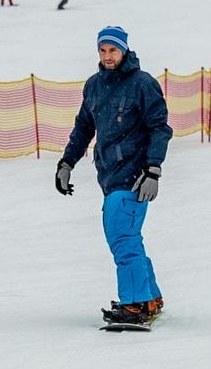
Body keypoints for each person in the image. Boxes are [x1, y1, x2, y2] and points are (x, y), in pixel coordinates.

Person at [55, 25, 171, 326]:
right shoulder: (94, 86)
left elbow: (160, 128)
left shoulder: (142, 84)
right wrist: (67, 163)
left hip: (135, 174)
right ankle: (149, 297)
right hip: (109, 175)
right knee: (127, 237)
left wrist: (153, 169)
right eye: (103, 50)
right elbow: (84, 127)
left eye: (113, 50)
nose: (108, 56)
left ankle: (135, 305)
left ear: (124, 51)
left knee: (123, 237)